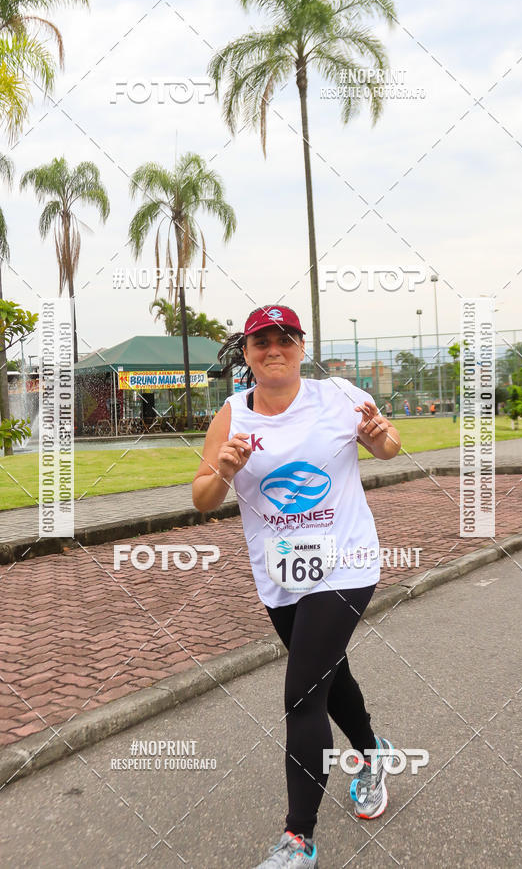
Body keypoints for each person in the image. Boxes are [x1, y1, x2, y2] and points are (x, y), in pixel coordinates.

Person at [192, 305, 401, 868]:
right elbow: (201, 498)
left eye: (285, 338)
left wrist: (380, 435)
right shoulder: (232, 416)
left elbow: (387, 447)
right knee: (331, 677)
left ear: (301, 346)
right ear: (248, 352)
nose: (274, 349)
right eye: (262, 341)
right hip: (281, 572)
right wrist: (224, 473)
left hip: (347, 562)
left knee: (302, 692)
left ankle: (298, 839)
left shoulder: (337, 394)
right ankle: (372, 751)